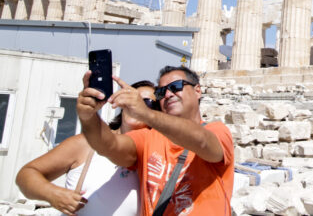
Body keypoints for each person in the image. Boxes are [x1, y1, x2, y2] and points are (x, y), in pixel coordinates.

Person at [77, 65, 233, 216]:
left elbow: (202, 141)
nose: (168, 95)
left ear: (198, 90)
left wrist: (146, 114)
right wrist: (89, 116)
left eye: (176, 86)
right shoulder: (148, 137)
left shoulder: (217, 131)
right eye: (161, 92)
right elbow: (108, 145)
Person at [16, 80, 159, 216]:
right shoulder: (86, 144)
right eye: (130, 98)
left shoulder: (158, 158)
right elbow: (26, 174)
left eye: (146, 102)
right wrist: (53, 194)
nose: (136, 105)